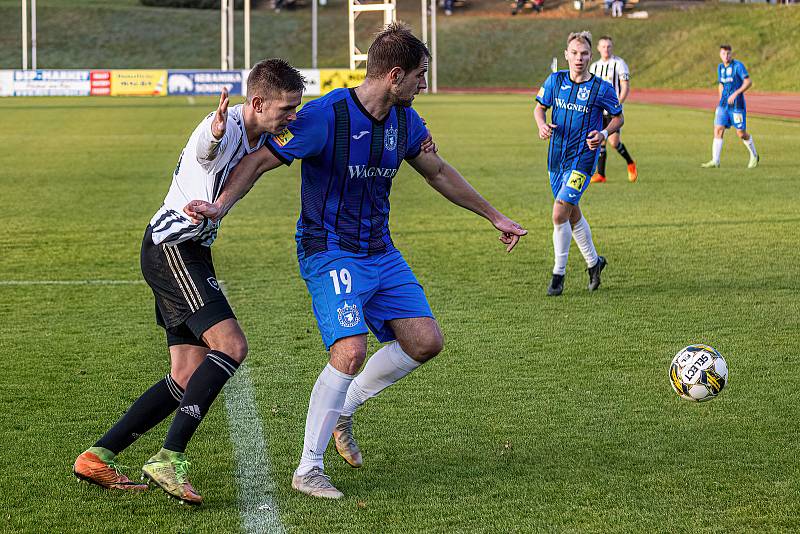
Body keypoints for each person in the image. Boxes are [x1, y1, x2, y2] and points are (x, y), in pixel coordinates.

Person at [185, 22, 527, 499]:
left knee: (425, 341)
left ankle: (345, 408)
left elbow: (439, 172)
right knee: (349, 351)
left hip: (380, 250)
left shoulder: (408, 122)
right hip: (329, 249)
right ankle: (308, 469)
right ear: (394, 74)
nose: (423, 85)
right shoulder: (325, 116)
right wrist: (220, 206)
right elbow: (259, 161)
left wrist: (495, 216)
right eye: (420, 75)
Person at [72, 59, 305, 505]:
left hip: (187, 249)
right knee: (232, 346)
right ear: (256, 103)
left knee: (184, 375)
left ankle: (97, 456)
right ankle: (169, 458)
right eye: (286, 109)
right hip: (173, 247)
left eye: (296, 108)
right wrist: (215, 132)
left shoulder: (266, 131)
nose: (291, 117)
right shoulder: (222, 126)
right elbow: (206, 148)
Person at [533, 31, 623, 297]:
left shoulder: (601, 88)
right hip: (556, 158)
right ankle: (595, 264)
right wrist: (541, 125)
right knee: (571, 213)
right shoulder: (555, 81)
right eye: (574, 53)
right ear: (566, 55)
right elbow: (539, 107)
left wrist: (604, 133)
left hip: (583, 160)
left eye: (584, 54)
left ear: (590, 56)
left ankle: (557, 276)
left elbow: (618, 117)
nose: (579, 58)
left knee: (559, 212)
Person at [589, 35, 637, 183]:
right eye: (603, 46)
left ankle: (630, 163)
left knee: (614, 143)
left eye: (609, 46)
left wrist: (617, 104)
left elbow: (625, 86)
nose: (606, 49)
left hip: (612, 111)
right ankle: (601, 174)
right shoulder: (594, 67)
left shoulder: (619, 63)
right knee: (600, 140)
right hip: (598, 110)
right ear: (598, 48)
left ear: (612, 47)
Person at [701, 44, 759, 169]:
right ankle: (715, 161)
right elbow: (721, 84)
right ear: (720, 55)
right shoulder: (720, 67)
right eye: (723, 54)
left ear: (731, 54)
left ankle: (754, 155)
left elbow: (748, 82)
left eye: (728, 53)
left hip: (737, 106)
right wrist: (721, 98)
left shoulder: (738, 66)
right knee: (718, 129)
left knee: (741, 133)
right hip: (723, 106)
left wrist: (736, 93)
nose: (726, 56)